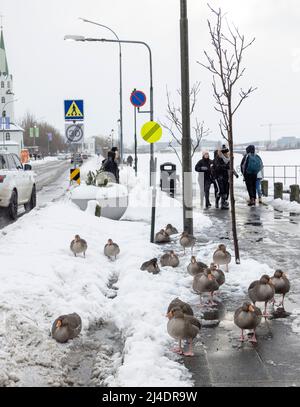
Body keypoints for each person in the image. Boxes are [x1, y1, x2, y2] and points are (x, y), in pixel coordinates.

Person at [211, 145, 230, 209]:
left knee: (225, 190)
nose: (226, 154)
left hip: (225, 177)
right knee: (220, 191)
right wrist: (225, 167)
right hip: (218, 177)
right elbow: (218, 167)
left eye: (226, 152)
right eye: (225, 153)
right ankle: (217, 202)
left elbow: (229, 167)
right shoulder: (217, 159)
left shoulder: (227, 159)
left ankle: (223, 204)